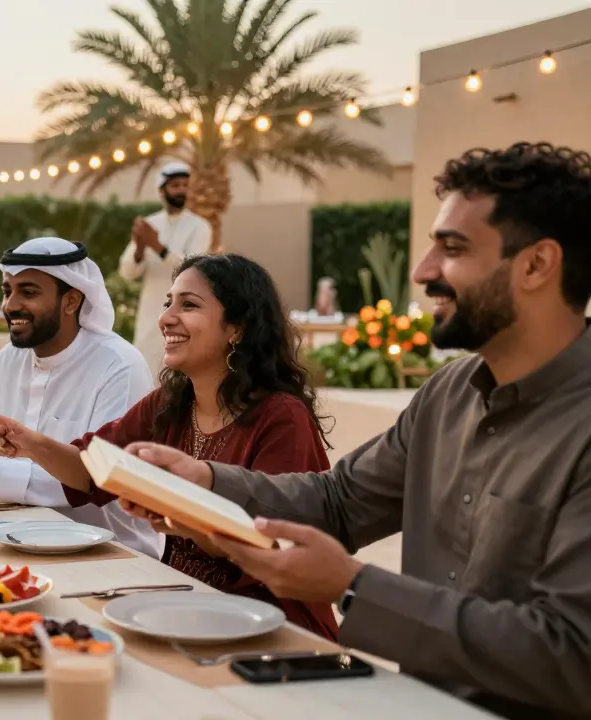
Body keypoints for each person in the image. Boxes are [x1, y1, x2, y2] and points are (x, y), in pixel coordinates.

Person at [119, 143, 591, 719]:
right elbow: (339, 502)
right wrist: (207, 481)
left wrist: (353, 586)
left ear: (537, 265)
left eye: (452, 249)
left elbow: (573, 654)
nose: (423, 271)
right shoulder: (447, 394)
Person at [0, 254, 339, 639]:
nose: (166, 318)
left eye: (189, 305)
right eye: (168, 302)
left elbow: (271, 547)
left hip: (273, 627)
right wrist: (30, 442)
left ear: (237, 328)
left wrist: (178, 511)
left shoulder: (281, 417)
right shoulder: (171, 402)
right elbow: (89, 470)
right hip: (184, 605)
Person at [0, 238, 160, 556]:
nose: (10, 305)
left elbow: (97, 478)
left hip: (111, 554)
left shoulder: (119, 366)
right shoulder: (9, 358)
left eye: (28, 292)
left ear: (71, 301)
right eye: (7, 291)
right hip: (10, 537)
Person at [120, 161, 213, 379]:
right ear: (162, 190)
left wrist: (157, 246)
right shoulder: (150, 224)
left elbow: (193, 269)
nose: (181, 190)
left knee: (179, 374)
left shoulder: (200, 226)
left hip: (185, 314)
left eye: (185, 185)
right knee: (145, 373)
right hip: (150, 314)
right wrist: (140, 248)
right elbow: (127, 272)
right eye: (175, 185)